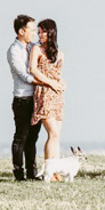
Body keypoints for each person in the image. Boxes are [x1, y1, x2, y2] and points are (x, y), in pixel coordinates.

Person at [6, 14, 58, 182]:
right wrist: (48, 83)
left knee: (33, 138)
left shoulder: (33, 47)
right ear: (21, 31)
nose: (35, 33)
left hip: (36, 99)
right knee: (21, 136)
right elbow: (24, 75)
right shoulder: (14, 50)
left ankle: (32, 172)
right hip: (23, 99)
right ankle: (19, 173)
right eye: (32, 30)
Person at [29, 18, 66, 182]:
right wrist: (50, 82)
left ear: (50, 32)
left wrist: (61, 83)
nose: (40, 35)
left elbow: (58, 74)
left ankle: (56, 171)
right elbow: (33, 70)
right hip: (44, 92)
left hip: (57, 95)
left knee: (57, 135)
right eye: (38, 32)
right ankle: (49, 171)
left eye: (43, 31)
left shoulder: (59, 54)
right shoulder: (36, 49)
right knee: (53, 132)